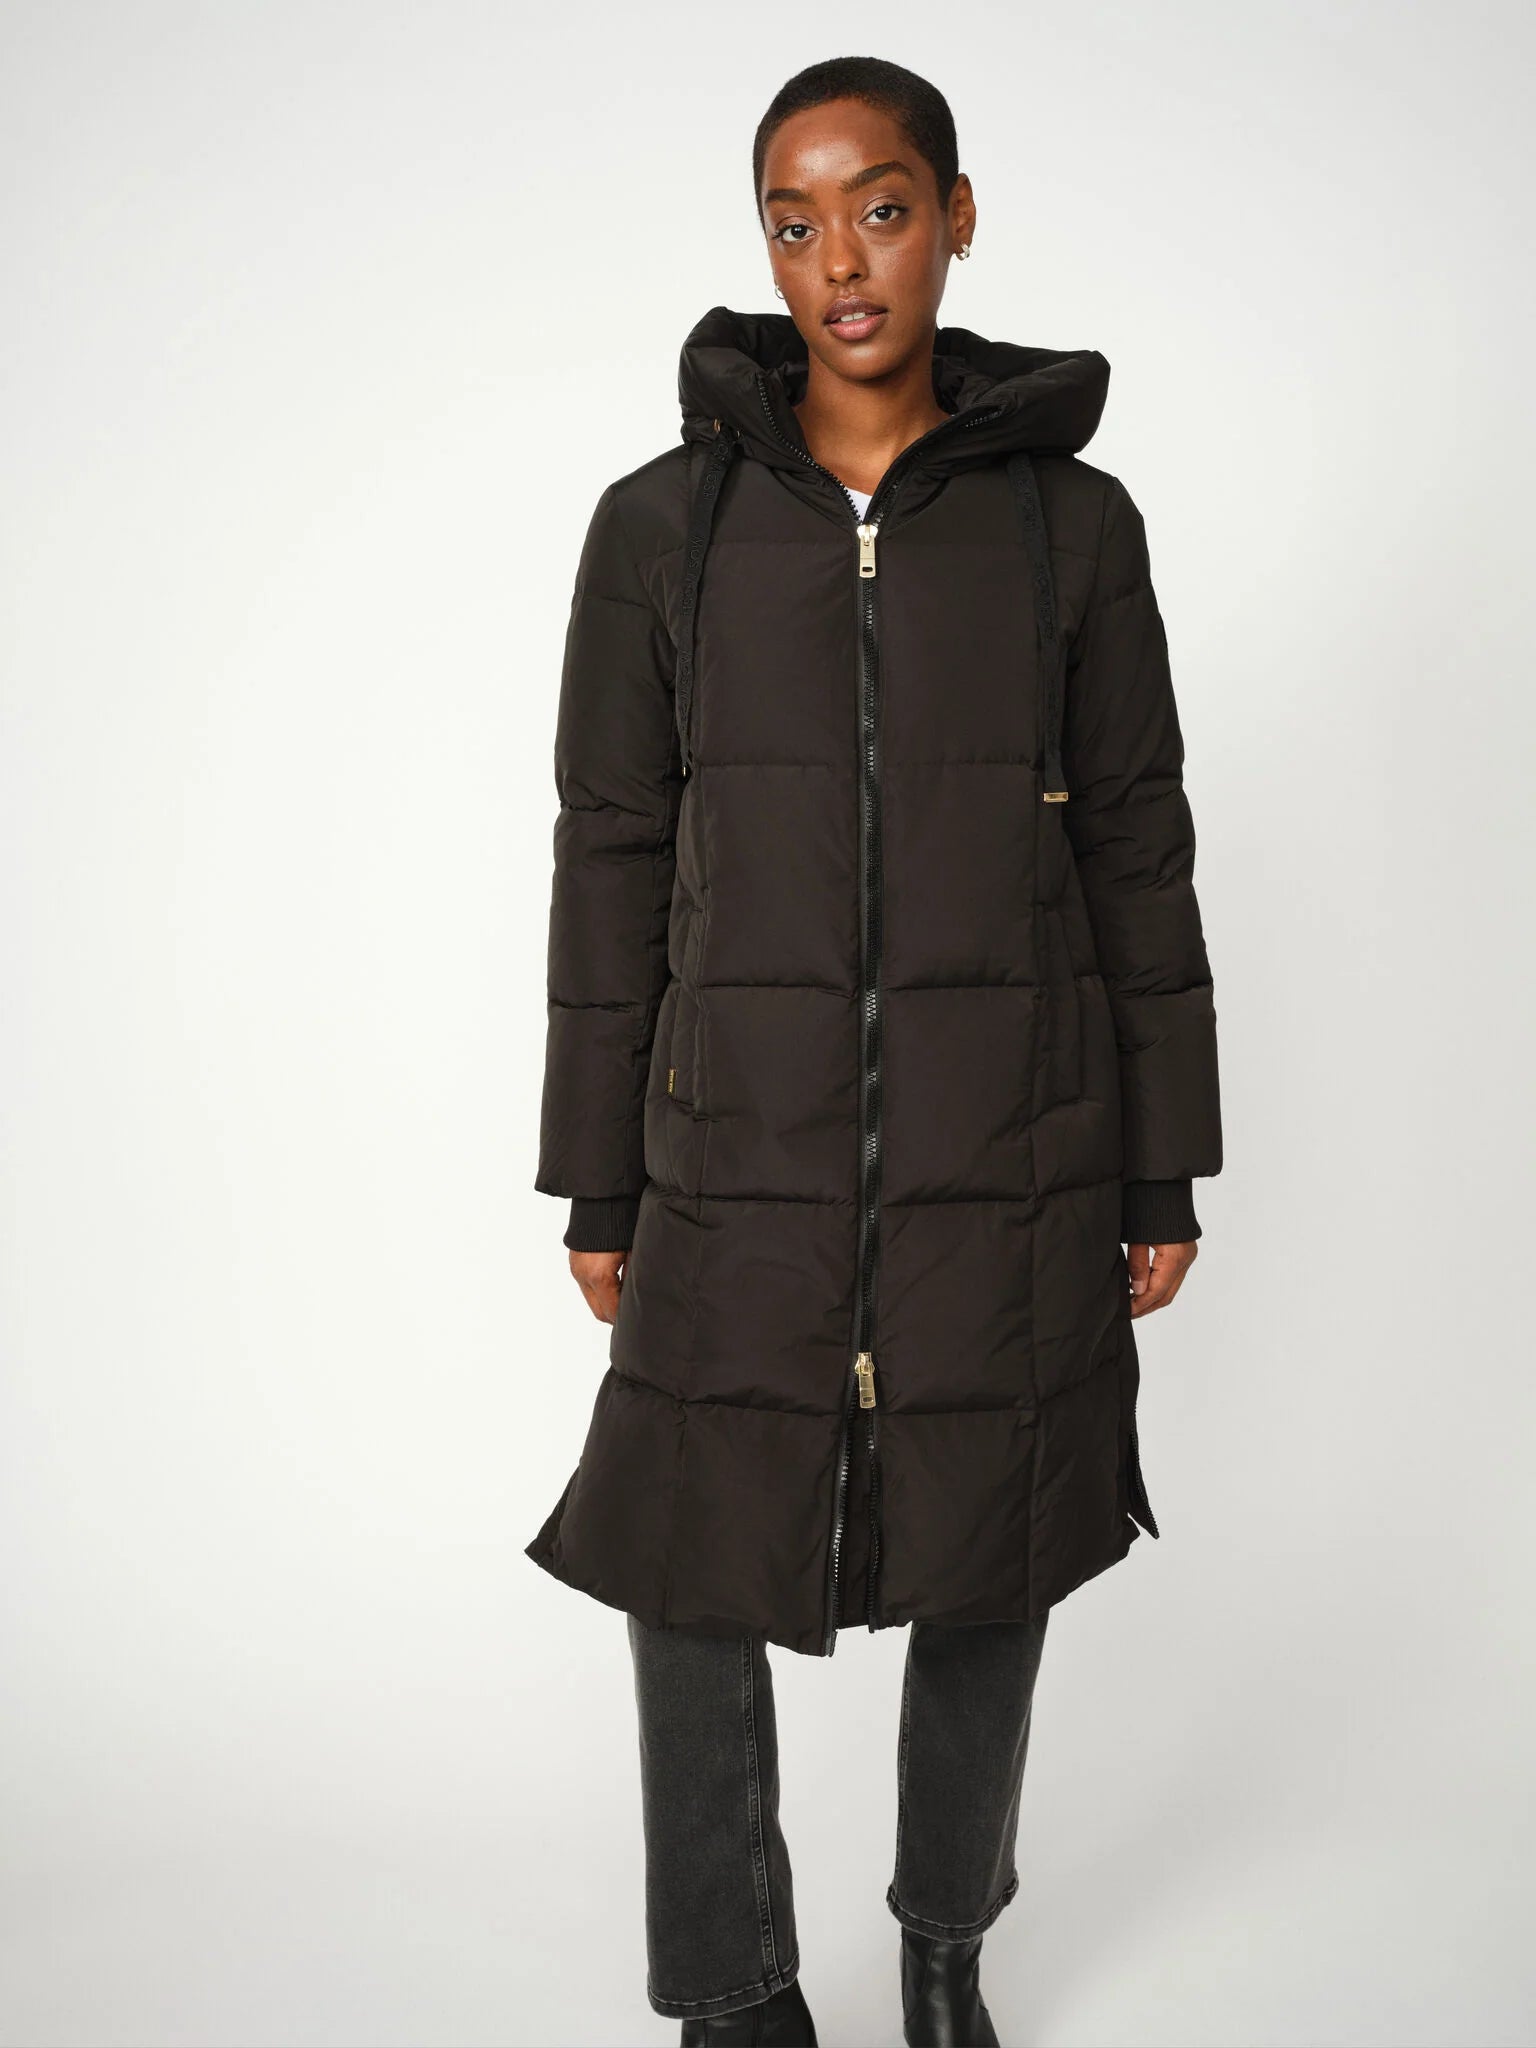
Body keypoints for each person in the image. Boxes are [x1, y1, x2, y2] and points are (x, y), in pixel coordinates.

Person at [526, 54, 1222, 2047]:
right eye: (797, 220)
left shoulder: (1071, 529)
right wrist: (596, 1176)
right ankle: (738, 1994)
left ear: (957, 218)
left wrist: (1160, 1161)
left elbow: (1138, 844)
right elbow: (611, 854)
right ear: (767, 247)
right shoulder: (659, 528)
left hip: (1013, 1134)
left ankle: (943, 1949)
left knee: (999, 1533)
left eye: (883, 207)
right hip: (729, 1140)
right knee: (687, 1540)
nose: (841, 258)